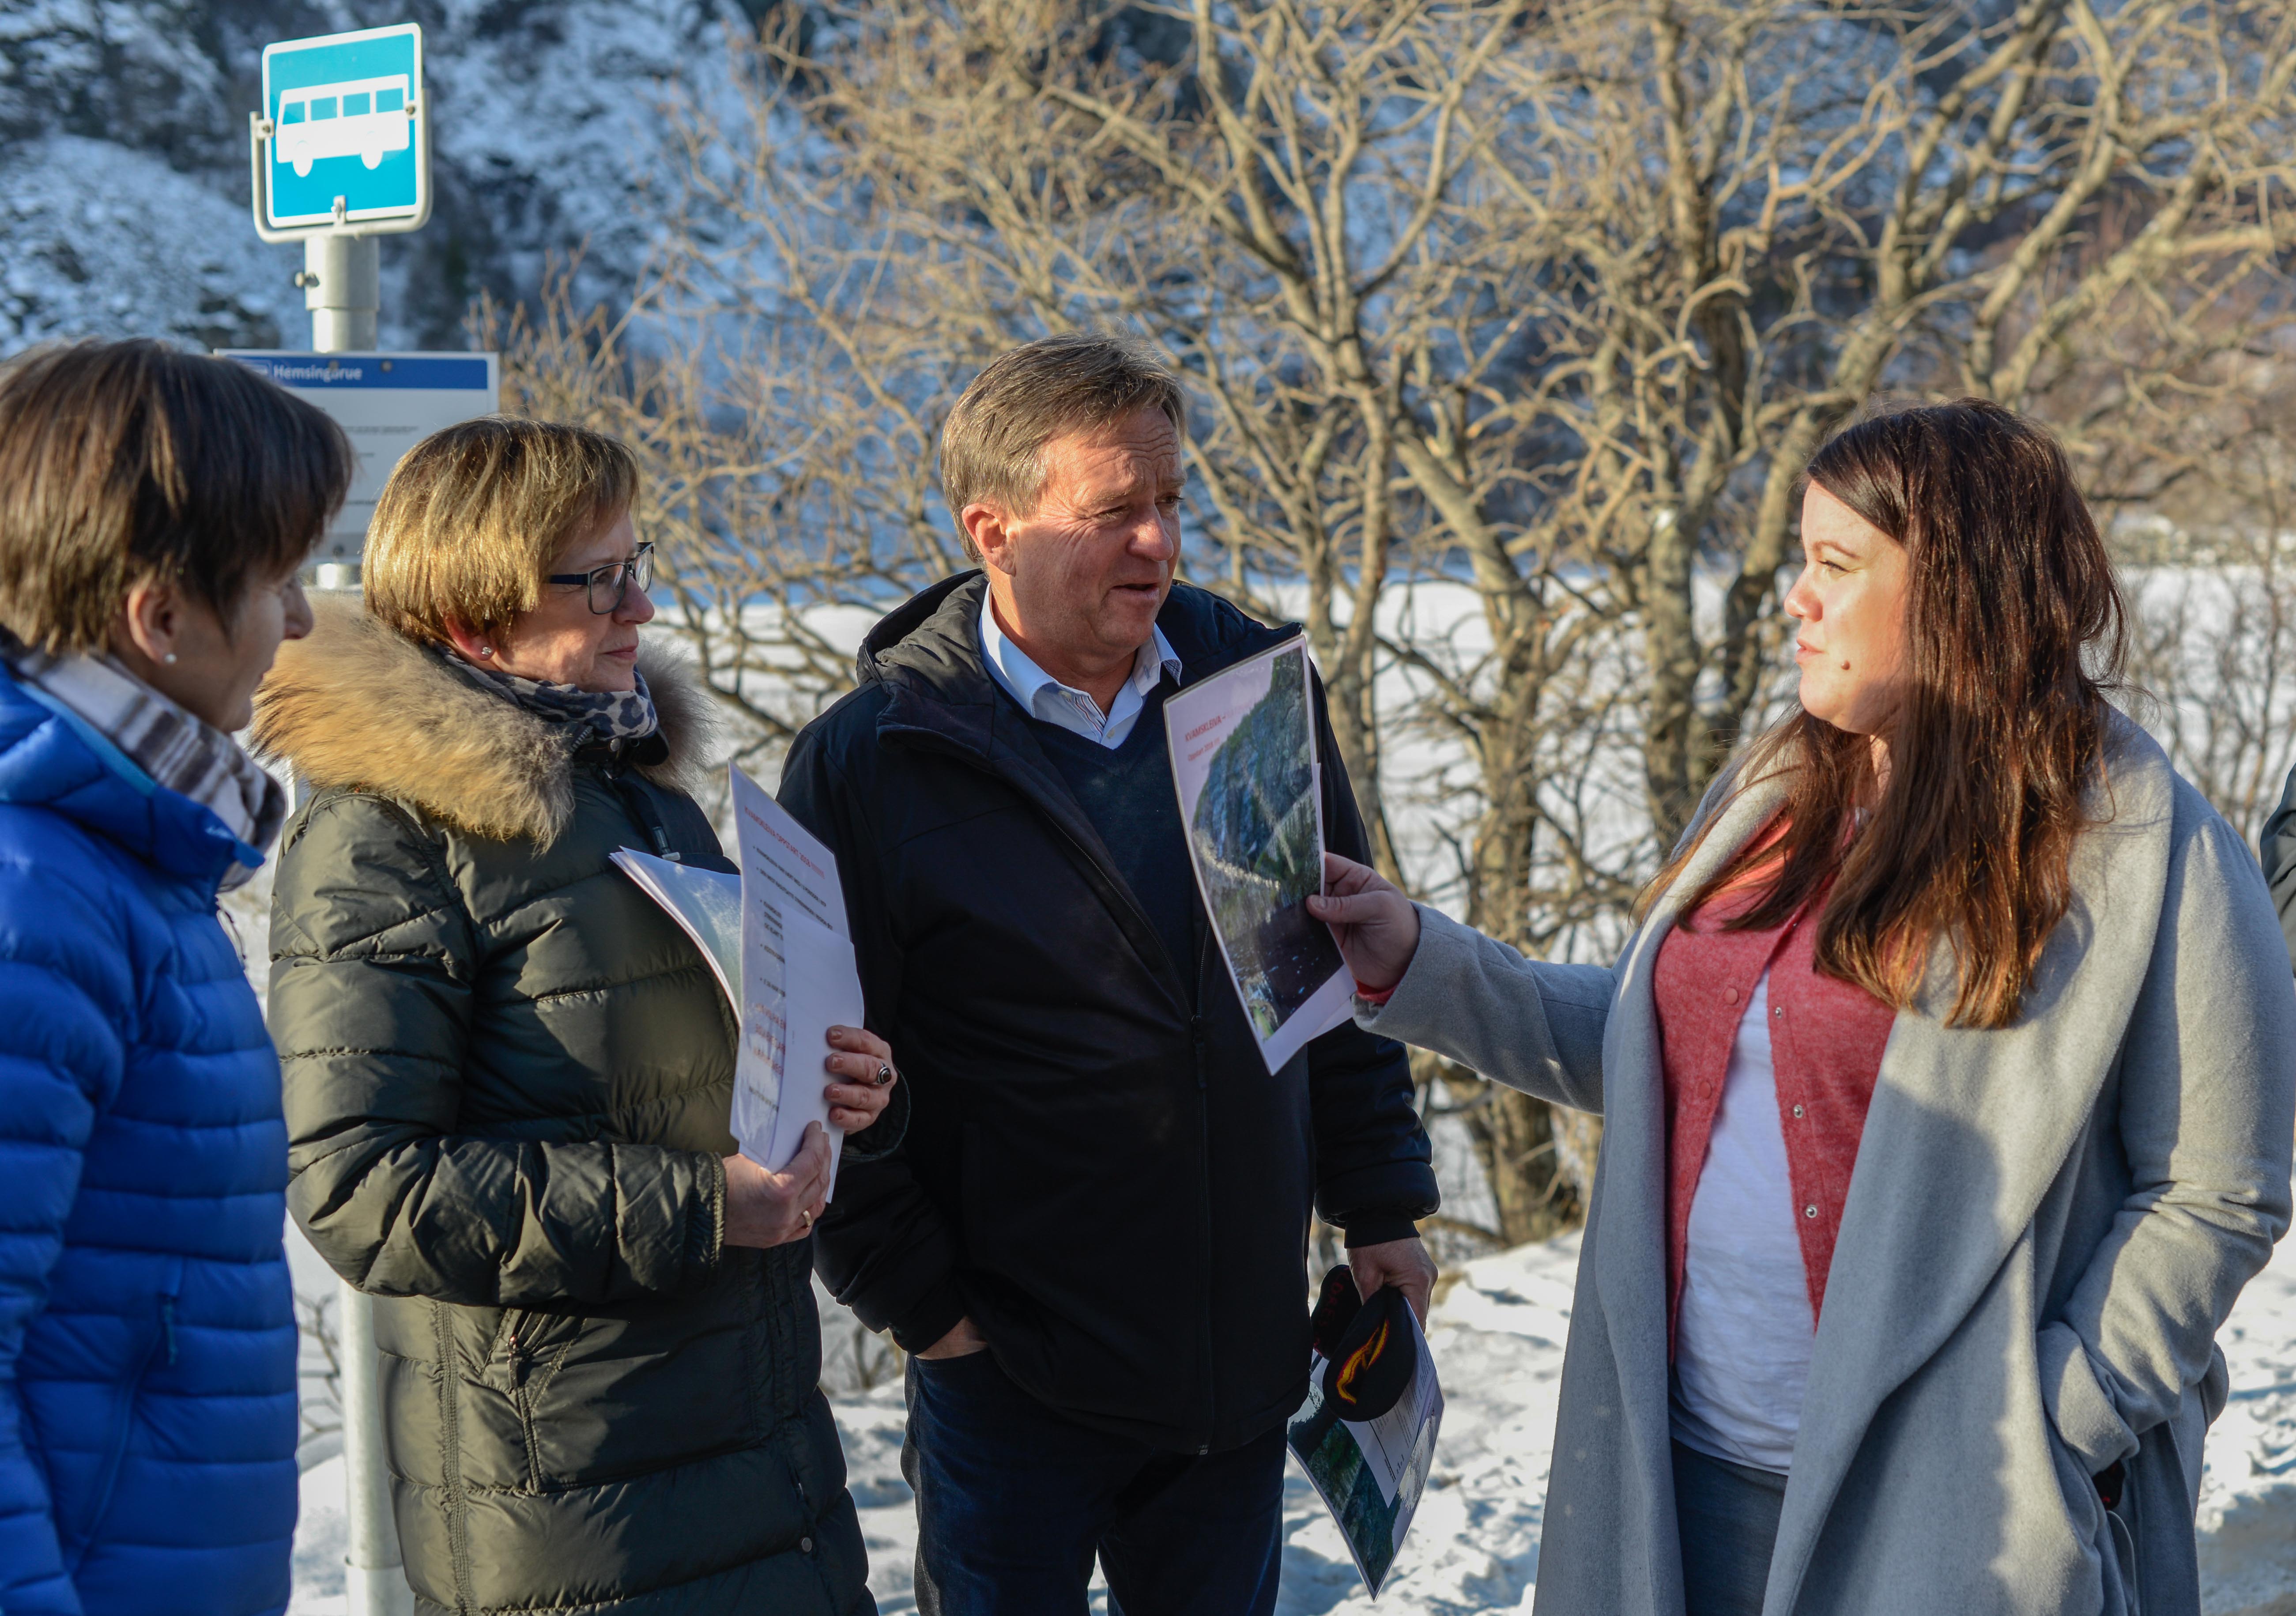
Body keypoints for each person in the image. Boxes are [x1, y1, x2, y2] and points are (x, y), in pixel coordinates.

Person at [1310, 399, 2296, 1616]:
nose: (1795, 596)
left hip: (1950, 1513)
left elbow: (2216, 1189)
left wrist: (2050, 1416)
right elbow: (1657, 1045)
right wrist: (1425, 962)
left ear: (1959, 590)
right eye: (1798, 559)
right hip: (1684, 1478)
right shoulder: (1781, 785)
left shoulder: (2147, 844)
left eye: (1835, 564)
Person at [777, 334, 1439, 1616]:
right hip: (1008, 1384)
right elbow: (819, 1073)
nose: (1158, 542)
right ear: (993, 528)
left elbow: (1335, 977)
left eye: (1171, 501)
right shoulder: (873, 760)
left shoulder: (1252, 693)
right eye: (1114, 512)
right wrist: (932, 1317)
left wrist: (1383, 1208)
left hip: (1237, 1373)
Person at [254, 416, 901, 1616]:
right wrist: (701, 1205)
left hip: (761, 1456)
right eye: (598, 580)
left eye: (637, 564)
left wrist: (832, 1087)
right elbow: (363, 1186)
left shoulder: (642, 797)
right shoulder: (380, 836)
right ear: (472, 605)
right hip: (570, 1509)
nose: (641, 607)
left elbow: (682, 1081)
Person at [0, 340, 352, 1614]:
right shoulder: (38, 892)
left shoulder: (125, 857)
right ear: (162, 618)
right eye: (280, 579)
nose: (303, 620)